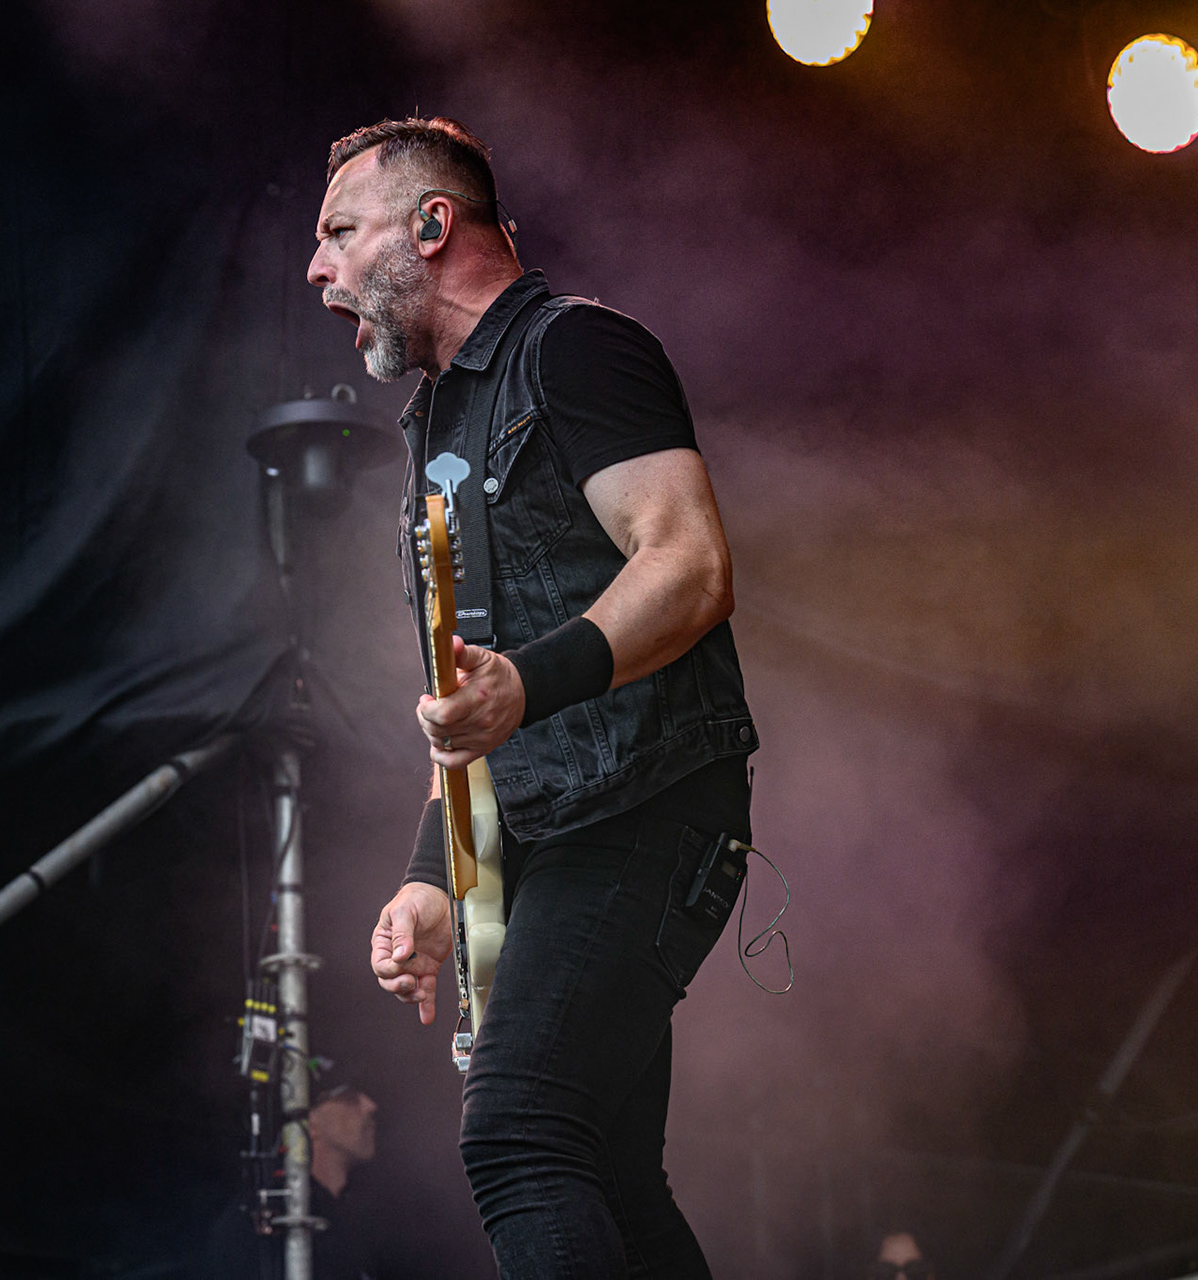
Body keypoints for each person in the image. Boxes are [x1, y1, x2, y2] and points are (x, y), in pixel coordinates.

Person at [306, 118, 759, 1278]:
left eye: (339, 234)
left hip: (647, 812)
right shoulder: (438, 428)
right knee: (607, 1170)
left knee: (516, 1138)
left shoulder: (576, 352)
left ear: (431, 224)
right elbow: (472, 702)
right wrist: (427, 872)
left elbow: (692, 563)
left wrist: (532, 683)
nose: (319, 272)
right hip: (554, 838)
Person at [204, 1083, 383, 1279]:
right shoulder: (262, 1218)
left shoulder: (367, 1215)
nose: (370, 1106)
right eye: (348, 1097)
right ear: (310, 1122)